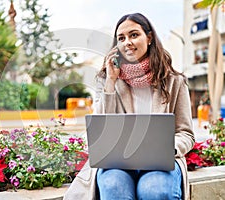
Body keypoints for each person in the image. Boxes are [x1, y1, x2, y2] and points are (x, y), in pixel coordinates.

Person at [64, 13, 194, 200]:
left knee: (155, 190)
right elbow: (101, 127)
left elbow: (186, 133)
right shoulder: (107, 79)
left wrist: (168, 149)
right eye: (121, 38)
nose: (127, 42)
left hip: (160, 164)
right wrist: (111, 81)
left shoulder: (175, 81)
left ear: (149, 38)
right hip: (117, 163)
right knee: (113, 186)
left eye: (134, 35)